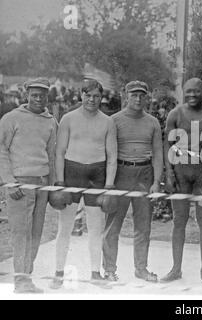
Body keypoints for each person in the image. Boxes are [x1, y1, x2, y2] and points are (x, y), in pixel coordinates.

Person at [50, 79, 117, 289]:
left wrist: (108, 186)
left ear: (101, 98)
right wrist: (60, 181)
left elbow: (112, 156)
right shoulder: (68, 119)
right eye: (88, 95)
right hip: (72, 172)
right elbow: (59, 152)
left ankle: (96, 273)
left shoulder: (107, 122)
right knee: (65, 227)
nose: (92, 100)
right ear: (81, 95)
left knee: (96, 227)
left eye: (96, 96)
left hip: (96, 174)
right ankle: (59, 273)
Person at [161, 78, 202, 287]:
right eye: (188, 92)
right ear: (183, 91)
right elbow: (167, 145)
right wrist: (169, 173)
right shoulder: (175, 114)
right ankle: (176, 268)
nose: (192, 95)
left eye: (196, 91)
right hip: (181, 172)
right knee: (179, 220)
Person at [102, 81, 163, 282]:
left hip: (144, 174)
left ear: (146, 97)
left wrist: (156, 182)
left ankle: (141, 268)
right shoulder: (114, 120)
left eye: (141, 95)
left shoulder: (153, 122)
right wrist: (109, 182)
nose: (138, 99)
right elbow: (108, 153)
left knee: (143, 225)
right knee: (113, 225)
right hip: (120, 172)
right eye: (134, 95)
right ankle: (110, 269)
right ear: (126, 95)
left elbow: (157, 154)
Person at [0, 78, 57, 293]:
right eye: (34, 94)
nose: (38, 98)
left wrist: (51, 186)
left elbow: (51, 155)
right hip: (20, 185)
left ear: (47, 97)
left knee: (36, 233)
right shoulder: (11, 118)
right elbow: (1, 150)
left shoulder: (51, 121)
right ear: (26, 95)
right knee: (20, 234)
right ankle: (21, 281)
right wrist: (9, 182)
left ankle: (26, 278)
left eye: (42, 95)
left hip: (42, 184)